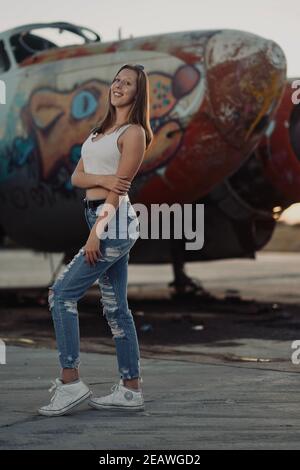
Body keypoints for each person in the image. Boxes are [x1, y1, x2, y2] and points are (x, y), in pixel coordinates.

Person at [38, 63, 153, 416]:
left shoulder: (133, 133)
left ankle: (71, 382)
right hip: (101, 216)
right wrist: (106, 181)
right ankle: (130, 389)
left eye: (128, 83)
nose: (118, 85)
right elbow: (76, 177)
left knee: (61, 295)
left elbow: (119, 191)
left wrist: (94, 234)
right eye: (116, 79)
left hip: (112, 223)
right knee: (117, 308)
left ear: (138, 93)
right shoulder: (100, 131)